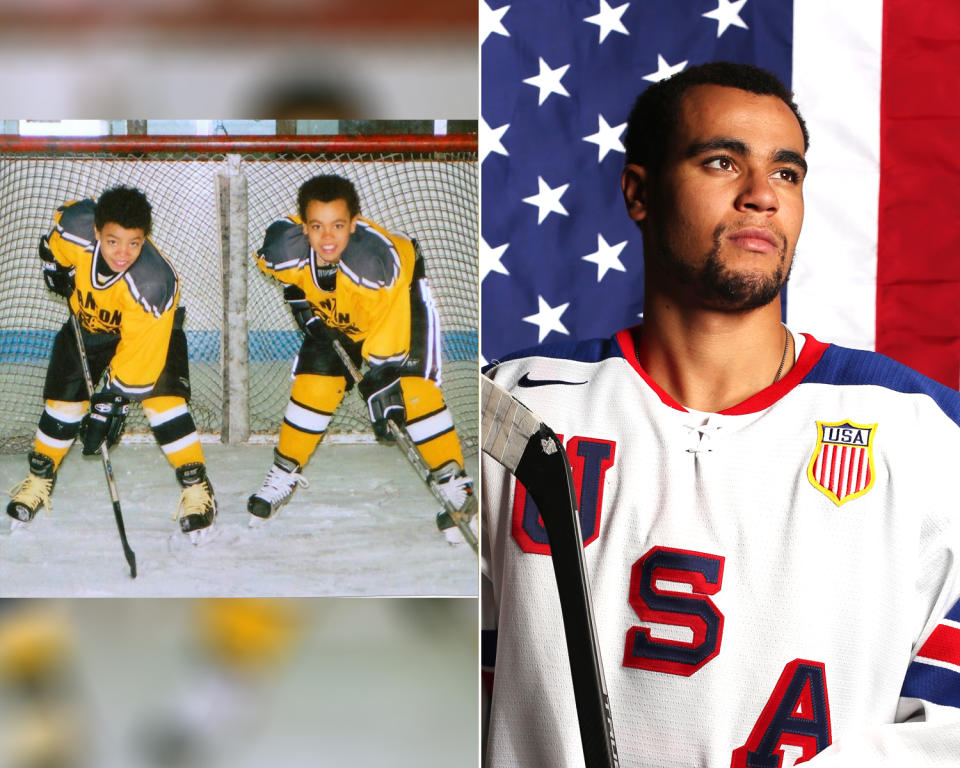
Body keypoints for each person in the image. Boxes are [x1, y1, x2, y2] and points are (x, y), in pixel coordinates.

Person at [481, 62, 960, 766]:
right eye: (721, 162)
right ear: (640, 193)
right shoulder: (511, 414)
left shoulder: (920, 432)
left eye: (787, 173)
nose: (761, 196)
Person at [247, 174, 474, 542]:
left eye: (338, 225)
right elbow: (284, 273)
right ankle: (284, 473)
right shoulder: (282, 247)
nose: (327, 238)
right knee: (314, 383)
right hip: (338, 304)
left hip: (399, 299)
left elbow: (386, 345)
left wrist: (384, 380)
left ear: (354, 224)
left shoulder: (375, 266)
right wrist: (300, 297)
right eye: (317, 227)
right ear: (303, 227)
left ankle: (456, 485)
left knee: (410, 391)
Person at [6, 186, 217, 537]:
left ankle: (198, 489)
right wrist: (54, 265)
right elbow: (53, 242)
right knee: (62, 403)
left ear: (145, 238)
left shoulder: (154, 284)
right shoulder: (76, 227)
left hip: (149, 334)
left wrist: (108, 407)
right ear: (96, 232)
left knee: (163, 403)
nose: (123, 253)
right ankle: (39, 480)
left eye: (134, 243)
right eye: (113, 241)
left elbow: (136, 366)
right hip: (89, 326)